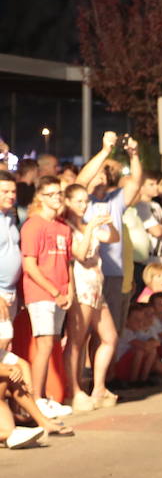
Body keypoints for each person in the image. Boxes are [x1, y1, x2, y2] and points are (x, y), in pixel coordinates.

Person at [60, 182, 119, 411]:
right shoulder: (66, 228)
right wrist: (90, 227)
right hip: (81, 287)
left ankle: (99, 387)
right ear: (68, 202)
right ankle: (73, 390)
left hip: (97, 287)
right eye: (79, 201)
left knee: (110, 337)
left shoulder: (87, 225)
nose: (84, 206)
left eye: (86, 201)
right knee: (77, 340)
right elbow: (81, 253)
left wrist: (110, 224)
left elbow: (112, 239)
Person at [78, 132, 144, 336]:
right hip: (87, 272)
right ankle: (86, 369)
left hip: (113, 274)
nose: (99, 176)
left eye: (103, 173)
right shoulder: (82, 201)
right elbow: (80, 181)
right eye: (96, 172)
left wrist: (133, 155)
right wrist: (105, 150)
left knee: (111, 333)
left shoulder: (115, 200)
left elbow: (136, 182)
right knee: (85, 331)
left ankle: (108, 370)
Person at [18, 176, 72, 416]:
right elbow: (30, 266)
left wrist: (69, 289)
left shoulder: (63, 226)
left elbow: (67, 261)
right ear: (40, 197)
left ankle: (46, 396)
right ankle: (37, 398)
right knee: (45, 343)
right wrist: (54, 291)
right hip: (41, 293)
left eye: (59, 193)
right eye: (50, 194)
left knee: (52, 345)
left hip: (61, 293)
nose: (56, 198)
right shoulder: (33, 225)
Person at [0, 171, 21, 312]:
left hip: (11, 292)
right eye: (5, 191)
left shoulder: (11, 218)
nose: (11, 195)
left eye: (13, 191)